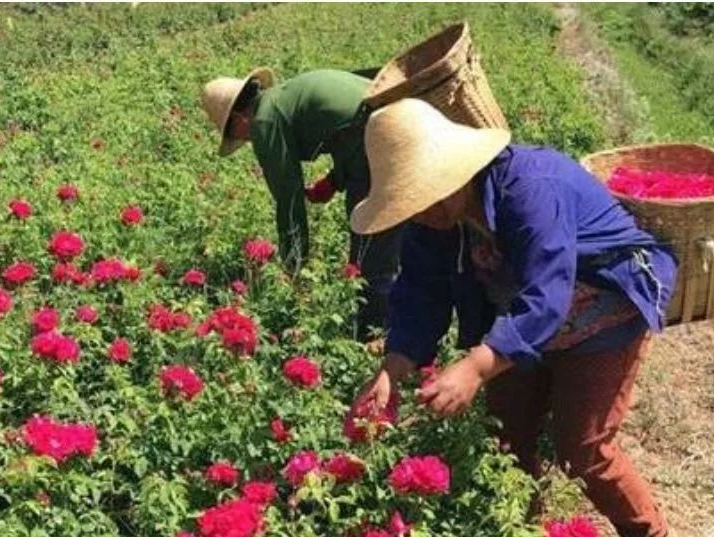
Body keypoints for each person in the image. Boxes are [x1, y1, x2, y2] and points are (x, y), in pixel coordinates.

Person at [350, 99, 676, 537]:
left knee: (583, 450)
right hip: (517, 317)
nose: (422, 211)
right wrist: (393, 368)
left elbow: (548, 293)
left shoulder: (529, 186)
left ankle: (648, 531)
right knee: (506, 431)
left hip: (600, 312)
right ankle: (524, 526)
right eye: (410, 202)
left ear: (454, 168)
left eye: (426, 193)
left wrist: (477, 365)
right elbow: (420, 292)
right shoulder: (432, 221)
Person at [201, 68, 402, 339]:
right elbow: (347, 131)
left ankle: (376, 342)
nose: (245, 141)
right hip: (397, 126)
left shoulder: (264, 122)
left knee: (370, 254)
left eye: (236, 134)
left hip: (380, 142)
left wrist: (294, 268)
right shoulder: (283, 96)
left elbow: (289, 199)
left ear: (238, 119)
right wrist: (333, 182)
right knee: (400, 241)